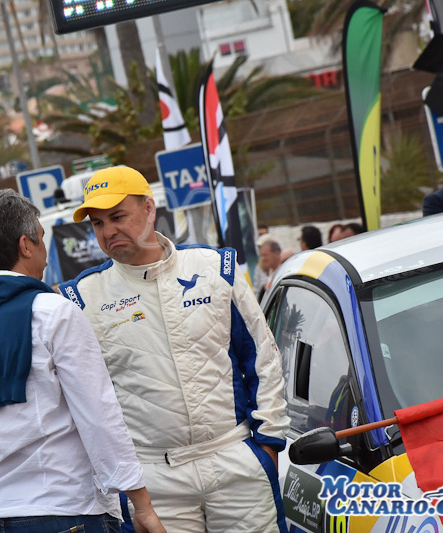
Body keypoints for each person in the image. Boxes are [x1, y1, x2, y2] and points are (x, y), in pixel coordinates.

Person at [60, 166, 290, 533]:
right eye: (98, 224)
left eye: (117, 216)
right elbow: (87, 402)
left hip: (235, 461)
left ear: (149, 209)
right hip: (154, 482)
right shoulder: (82, 297)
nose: (108, 231)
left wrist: (268, 446)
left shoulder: (215, 268)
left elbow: (263, 358)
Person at [0, 189, 165, 533]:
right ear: (26, 245)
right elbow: (98, 414)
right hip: (67, 506)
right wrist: (140, 503)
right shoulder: (52, 312)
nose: (44, 253)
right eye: (41, 239)